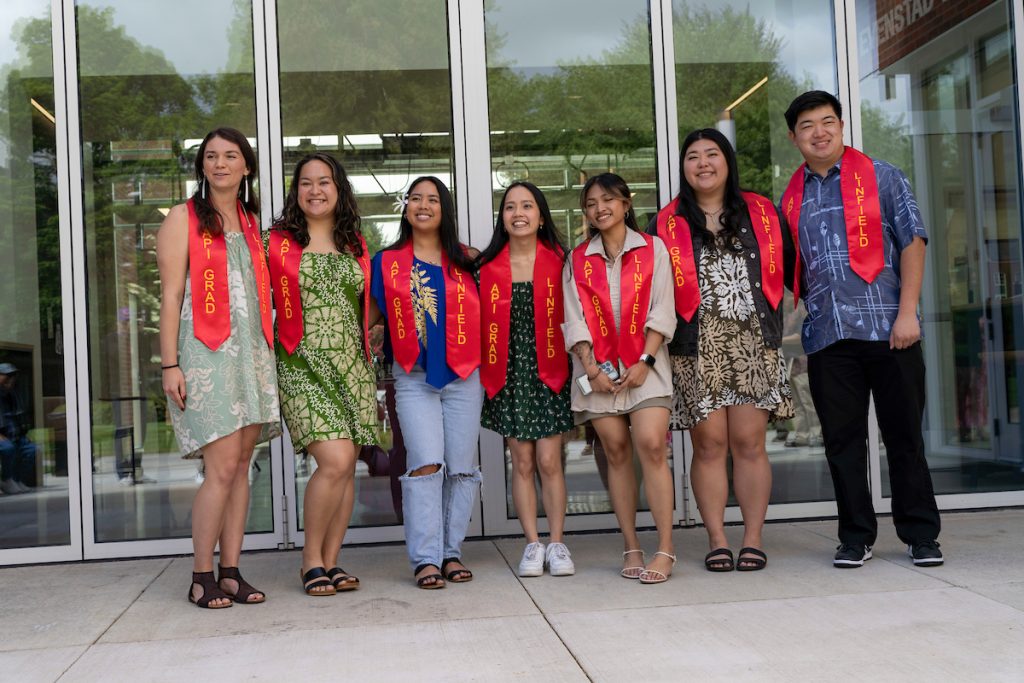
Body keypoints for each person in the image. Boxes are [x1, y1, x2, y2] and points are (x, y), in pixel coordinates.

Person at [781, 90, 942, 568]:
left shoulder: (882, 176)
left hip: (891, 329)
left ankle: (920, 534)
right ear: (794, 137)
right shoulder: (791, 196)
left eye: (827, 121)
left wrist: (908, 312)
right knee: (843, 444)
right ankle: (855, 535)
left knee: (905, 438)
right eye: (807, 125)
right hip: (830, 336)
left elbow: (913, 241)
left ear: (842, 126)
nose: (819, 132)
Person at [651, 129, 792, 572]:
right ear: (684, 168)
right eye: (693, 157)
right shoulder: (667, 221)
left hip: (752, 339)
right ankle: (716, 538)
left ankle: (752, 538)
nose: (703, 163)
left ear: (728, 162)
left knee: (749, 442)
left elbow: (788, 268)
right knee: (709, 445)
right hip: (697, 343)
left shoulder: (761, 212)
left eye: (712, 154)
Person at [157, 127, 280, 608]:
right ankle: (200, 575)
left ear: (246, 167)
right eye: (211, 156)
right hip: (205, 357)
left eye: (231, 156)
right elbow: (170, 296)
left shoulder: (251, 222)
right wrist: (170, 363)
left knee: (242, 469)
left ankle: (231, 571)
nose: (220, 164)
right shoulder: (181, 219)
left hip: (250, 355)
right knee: (221, 468)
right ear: (202, 166)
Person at [267, 153, 377, 596]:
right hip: (300, 361)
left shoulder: (356, 243)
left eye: (325, 182)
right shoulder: (276, 243)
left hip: (351, 365)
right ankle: (310, 560)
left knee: (348, 466)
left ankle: (332, 562)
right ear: (297, 192)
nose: (315, 190)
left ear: (339, 189)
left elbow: (366, 307)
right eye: (306, 183)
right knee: (332, 461)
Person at [562, 173, 677, 584]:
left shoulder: (653, 250)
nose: (599, 208)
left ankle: (664, 547)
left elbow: (664, 307)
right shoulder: (577, 259)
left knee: (650, 446)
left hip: (646, 369)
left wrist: (645, 358)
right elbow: (573, 318)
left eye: (608, 199)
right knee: (614, 451)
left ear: (627, 203)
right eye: (591, 203)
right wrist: (591, 368)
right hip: (599, 375)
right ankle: (631, 543)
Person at [370, 176, 483, 589]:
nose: (423, 205)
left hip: (464, 377)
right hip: (414, 378)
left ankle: (451, 552)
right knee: (425, 462)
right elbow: (369, 320)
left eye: (432, 199)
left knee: (461, 466)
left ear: (444, 209)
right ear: (405, 207)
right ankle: (425, 559)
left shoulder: (468, 260)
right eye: (415, 198)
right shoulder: (387, 262)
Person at [476, 181, 575, 577]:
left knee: (551, 461)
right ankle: (532, 544)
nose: (518, 213)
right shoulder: (485, 267)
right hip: (509, 371)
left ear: (540, 215)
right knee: (521, 461)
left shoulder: (562, 261)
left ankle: (557, 543)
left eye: (527, 206)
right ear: (502, 217)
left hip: (548, 370)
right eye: (510, 207)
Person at [0, 363, 37, 495]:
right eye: (7, 375)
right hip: (3, 436)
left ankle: (17, 480)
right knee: (7, 448)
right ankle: (6, 479)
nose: (11, 379)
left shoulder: (12, 395)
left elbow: (18, 417)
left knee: (31, 449)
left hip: (14, 434)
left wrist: (24, 433)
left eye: (13, 376)